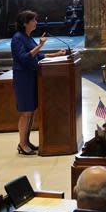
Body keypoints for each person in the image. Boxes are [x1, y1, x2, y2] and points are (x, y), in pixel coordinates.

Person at [11, 10, 66, 155]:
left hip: (32, 76)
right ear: (25, 23)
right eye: (33, 20)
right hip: (23, 78)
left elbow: (39, 55)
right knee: (25, 113)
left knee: (31, 111)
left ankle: (26, 141)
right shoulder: (18, 38)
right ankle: (22, 144)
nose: (36, 22)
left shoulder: (28, 37)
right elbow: (24, 57)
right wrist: (40, 46)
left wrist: (56, 54)